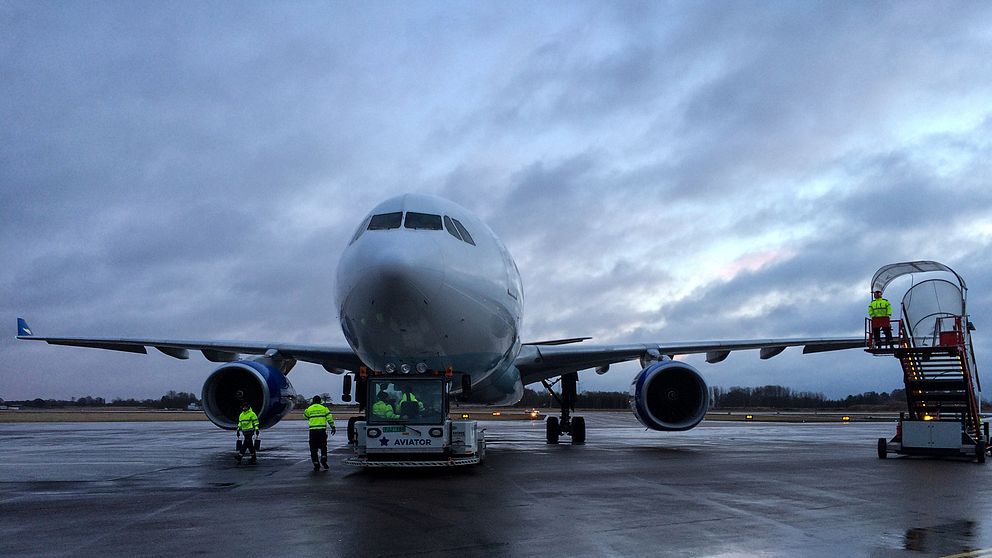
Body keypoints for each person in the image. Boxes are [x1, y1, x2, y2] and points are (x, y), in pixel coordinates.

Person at [304, 395, 335, 472]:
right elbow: (329, 419)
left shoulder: (308, 409)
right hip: (322, 431)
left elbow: (305, 417)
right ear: (320, 401)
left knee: (313, 449)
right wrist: (333, 427)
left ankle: (316, 463)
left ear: (312, 401)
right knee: (323, 446)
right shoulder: (324, 409)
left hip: (313, 431)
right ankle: (323, 458)